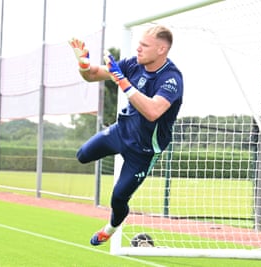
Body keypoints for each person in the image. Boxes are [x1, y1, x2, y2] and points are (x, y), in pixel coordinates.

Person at [68, 25, 183, 246]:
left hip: (144, 151)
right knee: (82, 155)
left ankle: (110, 228)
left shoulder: (172, 78)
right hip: (121, 132)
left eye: (145, 45)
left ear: (161, 50)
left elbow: (152, 111)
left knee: (118, 198)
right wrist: (83, 64)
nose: (138, 48)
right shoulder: (133, 64)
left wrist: (122, 81)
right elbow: (92, 75)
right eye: (139, 43)